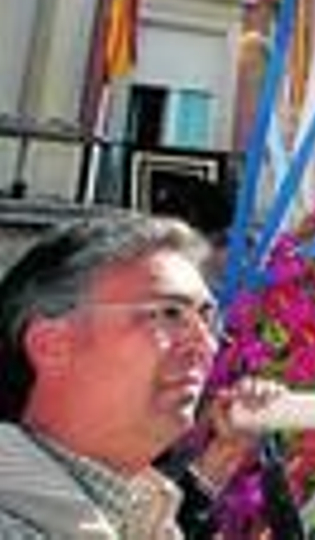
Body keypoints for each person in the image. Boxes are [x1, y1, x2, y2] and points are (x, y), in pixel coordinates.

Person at [0, 214, 222, 537]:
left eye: (207, 318)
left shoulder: (147, 516)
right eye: (170, 313)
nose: (207, 345)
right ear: (51, 344)